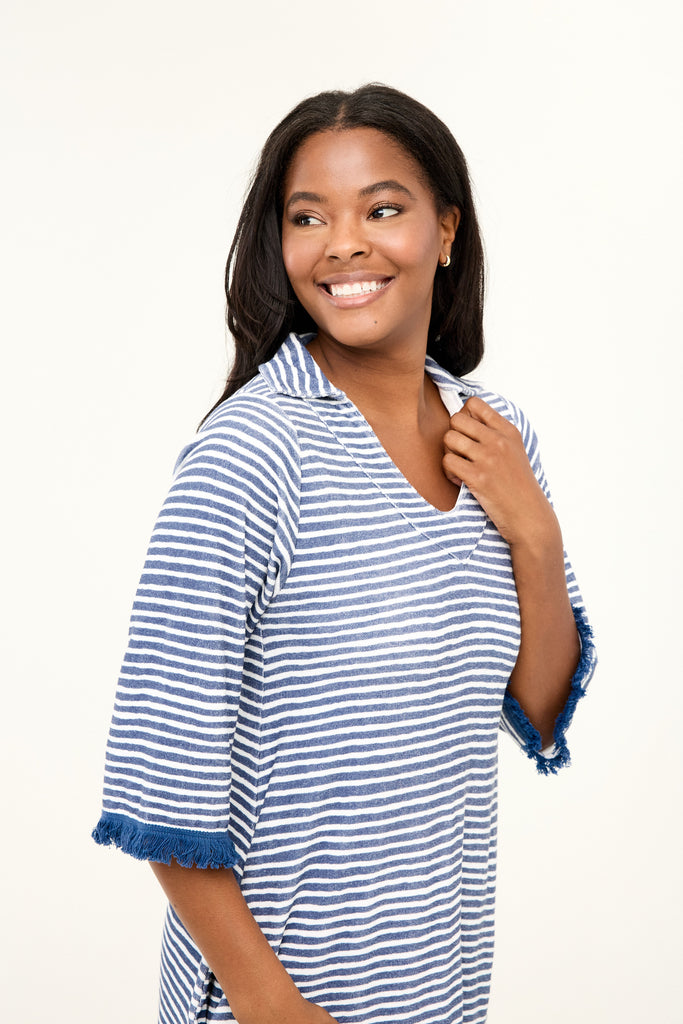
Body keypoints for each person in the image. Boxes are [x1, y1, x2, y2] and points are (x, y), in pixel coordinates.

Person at [93, 84, 596, 1024]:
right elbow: (161, 771)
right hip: (276, 1000)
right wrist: (273, 1009)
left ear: (446, 229)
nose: (344, 244)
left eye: (382, 208)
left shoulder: (492, 435)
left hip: (437, 984)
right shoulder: (252, 454)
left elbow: (533, 706)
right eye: (308, 216)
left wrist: (534, 533)